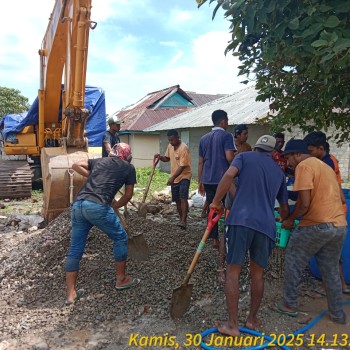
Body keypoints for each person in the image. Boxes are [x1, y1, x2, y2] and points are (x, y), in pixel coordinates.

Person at [210, 135, 289, 336]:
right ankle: (252, 320)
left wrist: (215, 202)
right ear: (272, 152)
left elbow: (228, 176)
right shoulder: (278, 172)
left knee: (233, 270)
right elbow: (284, 208)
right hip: (266, 226)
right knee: (257, 274)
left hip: (241, 220)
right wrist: (283, 218)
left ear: (256, 148)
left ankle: (232, 324)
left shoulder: (244, 157)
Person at [274, 139, 347, 324]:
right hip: (339, 225)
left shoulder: (304, 166)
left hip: (316, 224)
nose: (288, 162)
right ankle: (338, 314)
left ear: (296, 154)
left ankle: (288, 304)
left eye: (288, 157)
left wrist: (290, 219)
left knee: (293, 260)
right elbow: (340, 197)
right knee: (330, 270)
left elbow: (304, 203)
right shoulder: (326, 167)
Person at [65, 143, 139, 306]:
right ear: (127, 155)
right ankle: (121, 279)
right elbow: (128, 196)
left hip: (79, 204)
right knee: (120, 238)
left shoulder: (100, 161)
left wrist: (91, 176)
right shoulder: (128, 167)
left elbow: (75, 164)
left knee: (75, 248)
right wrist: (115, 206)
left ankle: (71, 294)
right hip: (98, 206)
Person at [303, 132, 350, 294]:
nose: (309, 155)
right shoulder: (328, 160)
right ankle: (341, 285)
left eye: (310, 151)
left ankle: (327, 287)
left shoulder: (327, 165)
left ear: (320, 148)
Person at [198, 109, 235, 248]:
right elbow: (229, 157)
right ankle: (227, 236)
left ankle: (213, 238)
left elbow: (201, 161)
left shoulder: (203, 138)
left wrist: (200, 180)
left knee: (212, 208)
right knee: (227, 207)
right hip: (223, 179)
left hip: (208, 179)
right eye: (227, 120)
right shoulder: (227, 136)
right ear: (223, 121)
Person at [155, 129, 192, 229]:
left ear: (177, 137)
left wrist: (172, 178)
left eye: (172, 140)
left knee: (183, 197)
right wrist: (160, 157)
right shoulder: (170, 146)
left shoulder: (184, 148)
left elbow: (182, 166)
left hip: (184, 176)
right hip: (175, 178)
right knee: (177, 200)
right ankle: (181, 219)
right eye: (169, 140)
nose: (171, 142)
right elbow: (167, 158)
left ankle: (184, 220)